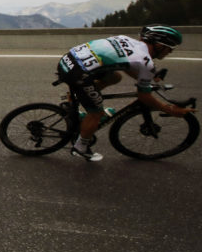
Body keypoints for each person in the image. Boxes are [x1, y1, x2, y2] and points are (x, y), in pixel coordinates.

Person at [56, 25, 195, 162]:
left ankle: (76, 102)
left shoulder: (127, 40)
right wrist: (169, 109)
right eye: (170, 48)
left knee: (115, 77)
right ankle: (80, 148)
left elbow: (126, 64)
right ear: (159, 45)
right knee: (96, 113)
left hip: (69, 60)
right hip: (77, 73)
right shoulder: (146, 63)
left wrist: (145, 78)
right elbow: (144, 96)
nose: (170, 52)